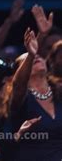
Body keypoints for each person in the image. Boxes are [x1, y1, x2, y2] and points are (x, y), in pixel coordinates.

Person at [10, 28, 62, 161]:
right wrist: (31, 54)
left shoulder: (59, 90)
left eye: (37, 55)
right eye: (26, 59)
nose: (36, 56)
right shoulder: (20, 97)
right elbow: (19, 84)